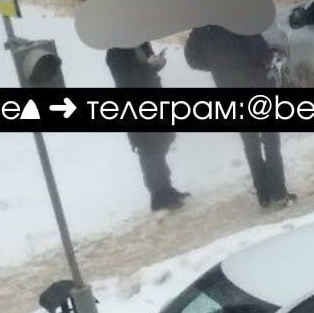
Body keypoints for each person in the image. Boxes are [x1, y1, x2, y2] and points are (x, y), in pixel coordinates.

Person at [184, 24, 294, 209]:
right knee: (270, 140)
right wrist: (268, 58)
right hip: (257, 86)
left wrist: (217, 65)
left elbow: (192, 59)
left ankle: (264, 196)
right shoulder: (240, 22)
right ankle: (278, 193)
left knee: (250, 144)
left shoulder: (202, 29)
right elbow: (260, 53)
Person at [107, 43, 189, 212]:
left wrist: (158, 62)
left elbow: (149, 69)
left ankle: (167, 187)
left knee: (160, 144)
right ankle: (157, 194)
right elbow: (127, 80)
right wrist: (147, 66)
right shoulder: (115, 52)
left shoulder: (142, 43)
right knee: (147, 148)